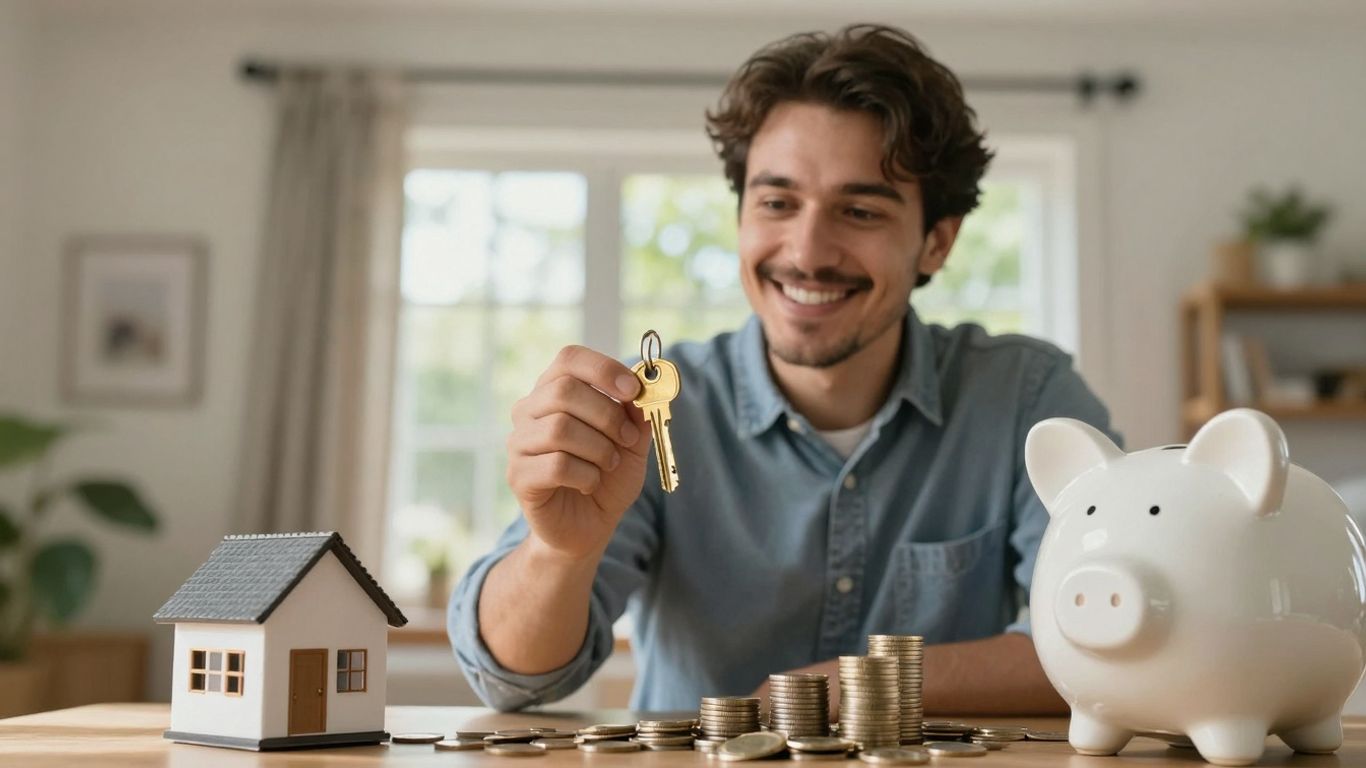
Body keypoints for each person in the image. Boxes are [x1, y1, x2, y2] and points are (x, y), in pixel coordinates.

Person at [448, 23, 1118, 715]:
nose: (806, 251)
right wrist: (558, 553)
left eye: (858, 210)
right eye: (776, 203)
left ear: (936, 244)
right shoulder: (650, 410)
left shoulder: (1027, 398)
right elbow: (511, 681)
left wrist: (850, 687)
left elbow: (1102, 645)